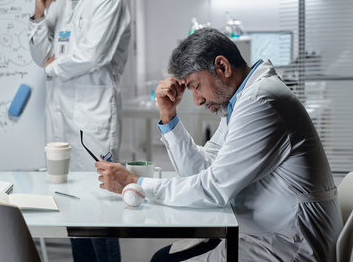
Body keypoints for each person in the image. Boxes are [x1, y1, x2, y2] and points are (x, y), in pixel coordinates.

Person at [96, 28, 342, 261]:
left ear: (222, 66)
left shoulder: (262, 102)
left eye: (196, 86)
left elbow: (212, 189)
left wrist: (134, 184)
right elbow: (202, 171)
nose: (198, 100)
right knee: (163, 258)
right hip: (265, 229)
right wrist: (168, 118)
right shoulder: (241, 101)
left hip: (291, 243)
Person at [27, 0, 131, 262]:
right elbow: (41, 56)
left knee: (100, 213)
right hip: (62, 118)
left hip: (93, 117)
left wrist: (54, 66)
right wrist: (39, 14)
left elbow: (91, 55)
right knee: (72, 210)